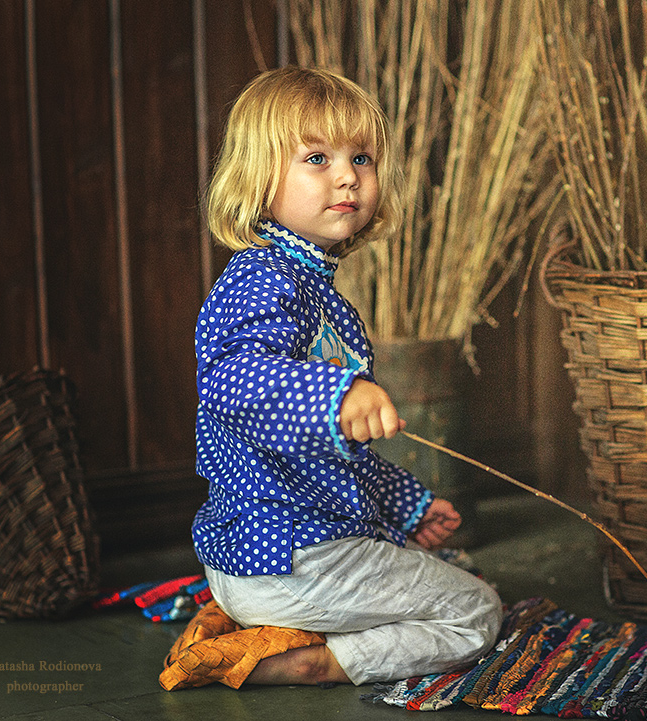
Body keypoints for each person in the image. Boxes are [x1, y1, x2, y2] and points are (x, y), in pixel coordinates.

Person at [192, 66, 502, 687]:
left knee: (423, 565)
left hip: (268, 561)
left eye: (361, 157)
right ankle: (319, 661)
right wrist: (337, 392)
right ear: (259, 180)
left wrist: (410, 506)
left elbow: (332, 464)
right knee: (477, 609)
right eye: (316, 157)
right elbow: (230, 377)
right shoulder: (262, 279)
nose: (347, 176)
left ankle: (262, 629)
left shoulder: (314, 290)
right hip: (289, 560)